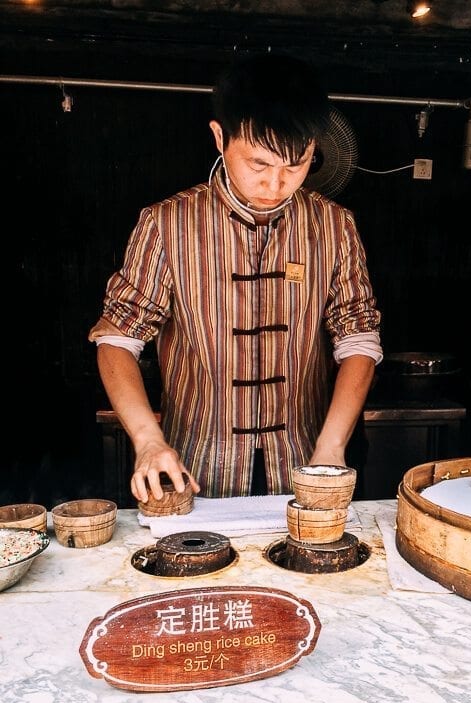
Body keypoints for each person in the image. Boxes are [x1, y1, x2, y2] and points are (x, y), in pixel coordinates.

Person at [88, 52, 382, 503]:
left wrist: (331, 446)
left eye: (296, 165)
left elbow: (358, 338)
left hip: (305, 460)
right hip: (194, 466)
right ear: (219, 137)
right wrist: (147, 440)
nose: (275, 184)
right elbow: (117, 340)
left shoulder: (334, 226)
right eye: (259, 164)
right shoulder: (166, 224)